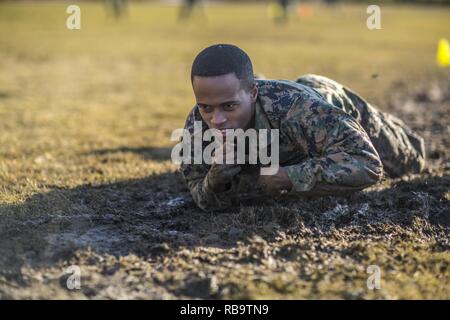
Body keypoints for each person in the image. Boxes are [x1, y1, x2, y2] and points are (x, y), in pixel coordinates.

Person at [180, 44, 426, 211]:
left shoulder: (298, 109)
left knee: (413, 160)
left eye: (229, 106)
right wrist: (214, 181)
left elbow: (367, 163)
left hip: (329, 102)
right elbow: (198, 190)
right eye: (206, 107)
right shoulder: (196, 125)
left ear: (253, 93)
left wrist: (288, 177)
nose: (217, 120)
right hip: (288, 117)